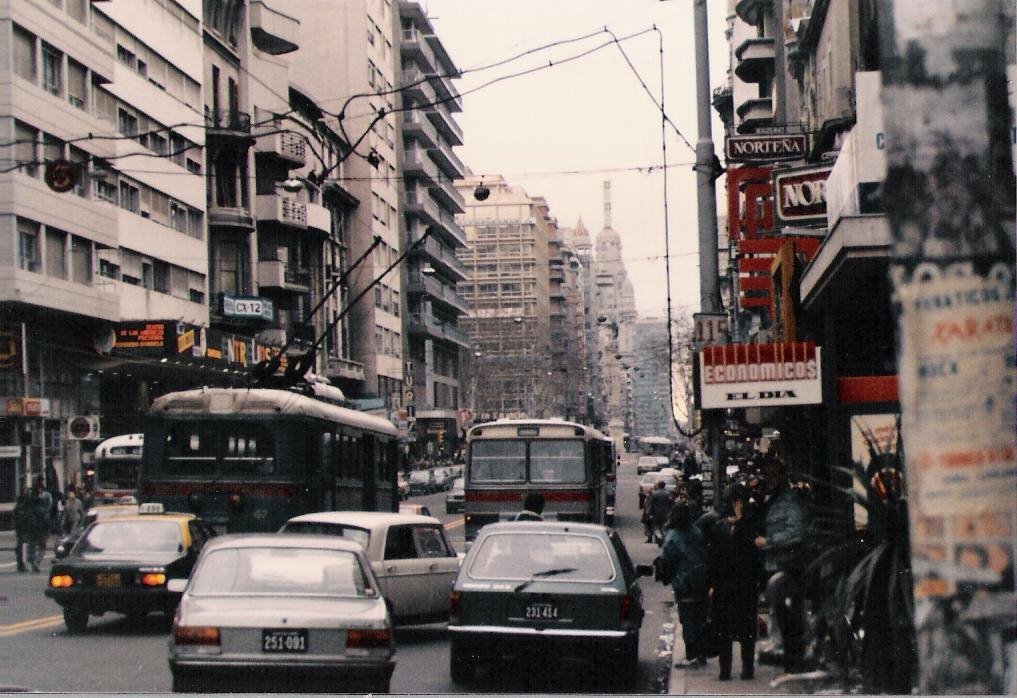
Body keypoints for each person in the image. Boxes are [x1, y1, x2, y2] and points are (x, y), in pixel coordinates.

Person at [754, 459, 807, 674]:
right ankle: (785, 651)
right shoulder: (768, 499)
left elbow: (797, 533)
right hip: (771, 564)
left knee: (786, 612)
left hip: (785, 565)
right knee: (777, 610)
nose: (768, 478)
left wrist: (770, 542)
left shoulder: (788, 501)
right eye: (766, 474)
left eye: (772, 474)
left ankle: (791, 656)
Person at [710, 484, 763, 680]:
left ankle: (728, 670)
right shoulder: (745, 526)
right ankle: (745, 669)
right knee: (744, 629)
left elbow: (714, 558)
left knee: (727, 630)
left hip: (728, 585)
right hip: (743, 584)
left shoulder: (723, 526)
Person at [660, 501, 710, 668]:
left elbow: (666, 559)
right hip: (701, 579)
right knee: (700, 616)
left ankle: (691, 654)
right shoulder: (697, 532)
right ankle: (701, 653)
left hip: (684, 582)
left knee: (688, 619)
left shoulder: (673, 536)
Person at [26, 476, 53, 573]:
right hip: (41, 527)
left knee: (32, 545)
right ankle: (36, 562)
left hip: (32, 527)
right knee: (42, 546)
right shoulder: (45, 501)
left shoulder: (30, 501)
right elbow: (49, 508)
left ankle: (33, 561)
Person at [12, 487, 33, 572]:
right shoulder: (25, 505)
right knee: (23, 548)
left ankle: (21, 564)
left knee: (21, 547)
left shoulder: (18, 506)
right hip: (23, 529)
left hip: (20, 529)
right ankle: (22, 565)